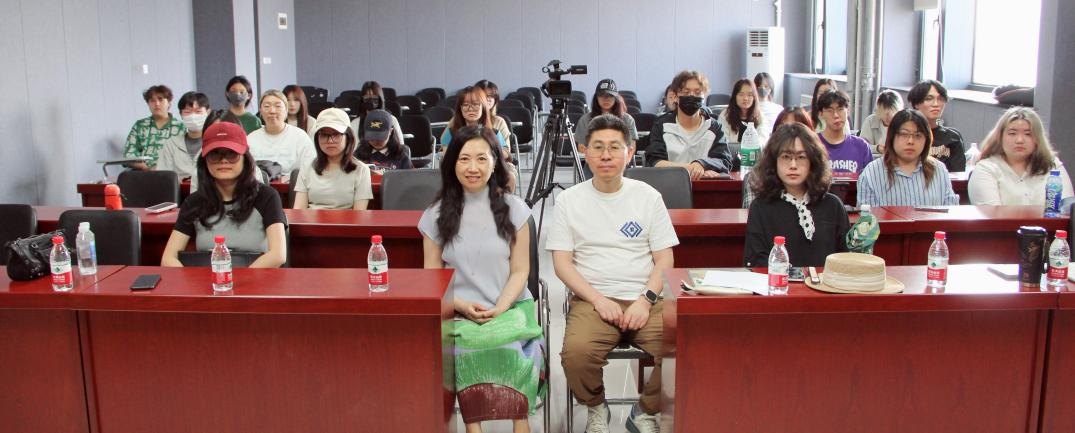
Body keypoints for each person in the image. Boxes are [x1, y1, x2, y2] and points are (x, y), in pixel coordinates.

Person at [548, 114, 678, 433]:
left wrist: (645, 301)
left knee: (686, 347)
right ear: (584, 152)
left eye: (614, 147)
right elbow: (562, 263)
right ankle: (596, 407)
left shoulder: (648, 197)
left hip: (646, 300)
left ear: (629, 152)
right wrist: (598, 300)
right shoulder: (567, 201)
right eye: (598, 147)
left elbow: (665, 258)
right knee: (576, 355)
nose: (606, 155)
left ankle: (645, 411)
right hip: (593, 302)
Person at [419, 125, 541, 433]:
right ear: (452, 164)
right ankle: (474, 428)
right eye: (464, 159)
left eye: (482, 158)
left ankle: (520, 424)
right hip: (458, 311)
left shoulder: (515, 209)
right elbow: (431, 275)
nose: (472, 168)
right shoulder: (435, 215)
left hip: (509, 306)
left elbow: (520, 271)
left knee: (511, 347)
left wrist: (500, 307)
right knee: (468, 348)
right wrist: (460, 305)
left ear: (495, 162)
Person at [160, 122, 287, 268]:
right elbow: (168, 258)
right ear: (204, 161)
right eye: (215, 154)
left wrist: (236, 279)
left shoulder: (267, 196)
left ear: (245, 158)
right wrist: (190, 279)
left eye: (232, 154)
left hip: (255, 278)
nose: (223, 160)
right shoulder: (194, 202)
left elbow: (278, 255)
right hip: (207, 278)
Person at [744, 123, 850, 267]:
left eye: (801, 157)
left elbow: (846, 259)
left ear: (813, 161)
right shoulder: (760, 207)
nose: (793, 165)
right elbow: (755, 261)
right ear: (774, 161)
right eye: (786, 156)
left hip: (825, 281)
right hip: (779, 281)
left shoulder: (833, 205)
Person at [968, 107, 1074, 205]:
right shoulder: (986, 169)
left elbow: (1067, 209)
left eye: (1028, 134)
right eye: (1012, 133)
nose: (1019, 140)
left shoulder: (1052, 165)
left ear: (1037, 139)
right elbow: (991, 214)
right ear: (1000, 137)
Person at [857, 109, 959, 206]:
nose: (910, 141)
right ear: (891, 137)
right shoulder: (871, 173)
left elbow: (951, 211)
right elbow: (866, 216)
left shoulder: (939, 170)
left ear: (927, 139)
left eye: (918, 135)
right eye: (904, 134)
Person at [645, 70, 732, 180]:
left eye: (697, 92)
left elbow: (724, 161)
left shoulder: (714, 127)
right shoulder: (661, 125)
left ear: (704, 96)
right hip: (670, 184)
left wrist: (702, 164)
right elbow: (655, 162)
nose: (691, 96)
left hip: (705, 185)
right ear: (675, 96)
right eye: (686, 92)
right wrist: (692, 168)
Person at [292, 108, 373, 210]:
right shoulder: (307, 167)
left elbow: (359, 213)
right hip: (311, 219)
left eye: (336, 134)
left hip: (347, 220)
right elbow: (299, 210)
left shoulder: (361, 170)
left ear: (348, 137)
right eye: (324, 135)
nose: (330, 141)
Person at [246, 89, 316, 178]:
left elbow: (310, 168)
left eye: (278, 106)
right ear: (260, 110)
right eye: (267, 106)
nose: (272, 111)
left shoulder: (300, 137)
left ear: (286, 110)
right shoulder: (251, 139)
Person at [907, 80, 966, 172]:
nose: (936, 104)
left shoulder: (952, 137)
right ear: (916, 104)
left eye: (940, 99)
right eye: (929, 99)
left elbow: (958, 173)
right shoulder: (905, 134)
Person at [124, 84, 185, 170]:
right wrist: (144, 168)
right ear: (148, 104)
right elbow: (128, 155)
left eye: (160, 99)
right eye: (152, 101)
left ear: (169, 103)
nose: (156, 104)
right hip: (141, 172)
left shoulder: (181, 127)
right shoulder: (140, 125)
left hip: (170, 173)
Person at [815, 90, 873, 178]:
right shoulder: (813, 144)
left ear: (848, 111)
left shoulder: (861, 146)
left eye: (840, 109)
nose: (836, 115)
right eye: (830, 110)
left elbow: (871, 180)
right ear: (821, 114)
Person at [157, 91, 210, 180]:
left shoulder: (214, 142)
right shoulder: (171, 143)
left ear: (208, 112)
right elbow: (163, 175)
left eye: (198, 111)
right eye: (187, 112)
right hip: (178, 188)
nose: (193, 116)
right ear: (181, 114)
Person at [573, 79, 639, 147]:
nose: (606, 99)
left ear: (616, 98)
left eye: (610, 95)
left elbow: (631, 146)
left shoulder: (628, 120)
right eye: (601, 95)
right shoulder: (585, 120)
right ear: (596, 98)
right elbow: (581, 147)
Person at [441, 86, 509, 152]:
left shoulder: (494, 133)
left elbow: (505, 154)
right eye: (465, 105)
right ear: (460, 109)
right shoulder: (451, 133)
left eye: (475, 104)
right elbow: (448, 157)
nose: (470, 109)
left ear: (483, 107)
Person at [716, 78, 768, 156]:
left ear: (754, 97)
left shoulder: (760, 116)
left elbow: (763, 141)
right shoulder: (725, 115)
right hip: (730, 158)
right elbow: (723, 142)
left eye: (749, 95)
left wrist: (750, 149)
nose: (745, 98)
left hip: (754, 158)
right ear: (735, 97)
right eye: (741, 94)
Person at [860, 89, 903, 156]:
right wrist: (877, 148)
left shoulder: (904, 123)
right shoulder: (870, 121)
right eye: (884, 114)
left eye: (890, 115)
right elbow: (861, 146)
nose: (887, 118)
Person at [474, 79, 514, 145]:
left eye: (492, 96)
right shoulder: (463, 119)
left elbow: (506, 150)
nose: (489, 99)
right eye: (485, 95)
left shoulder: (499, 121)